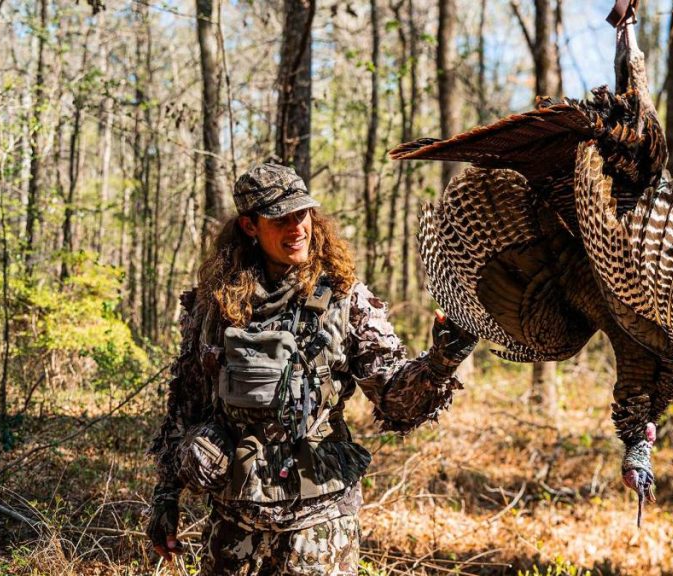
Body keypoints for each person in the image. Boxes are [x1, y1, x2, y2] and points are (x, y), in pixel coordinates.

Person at [146, 162, 477, 575]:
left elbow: (395, 399)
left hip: (320, 520)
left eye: (302, 213)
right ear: (250, 226)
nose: (297, 227)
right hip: (236, 519)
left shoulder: (345, 298)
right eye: (280, 218)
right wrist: (166, 498)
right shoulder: (215, 305)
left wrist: (442, 360)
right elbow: (186, 404)